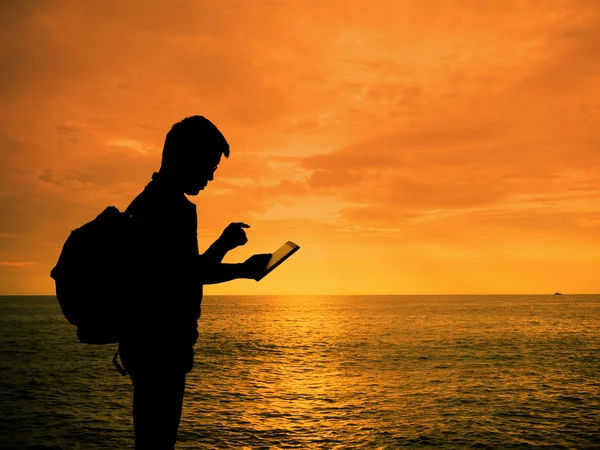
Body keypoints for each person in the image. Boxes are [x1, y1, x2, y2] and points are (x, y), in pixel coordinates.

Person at [118, 116, 271, 449]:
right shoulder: (171, 208)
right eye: (209, 165)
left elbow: (182, 273)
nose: (211, 176)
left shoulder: (151, 200)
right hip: (160, 349)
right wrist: (242, 267)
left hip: (146, 346)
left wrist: (225, 249)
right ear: (185, 157)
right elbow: (187, 277)